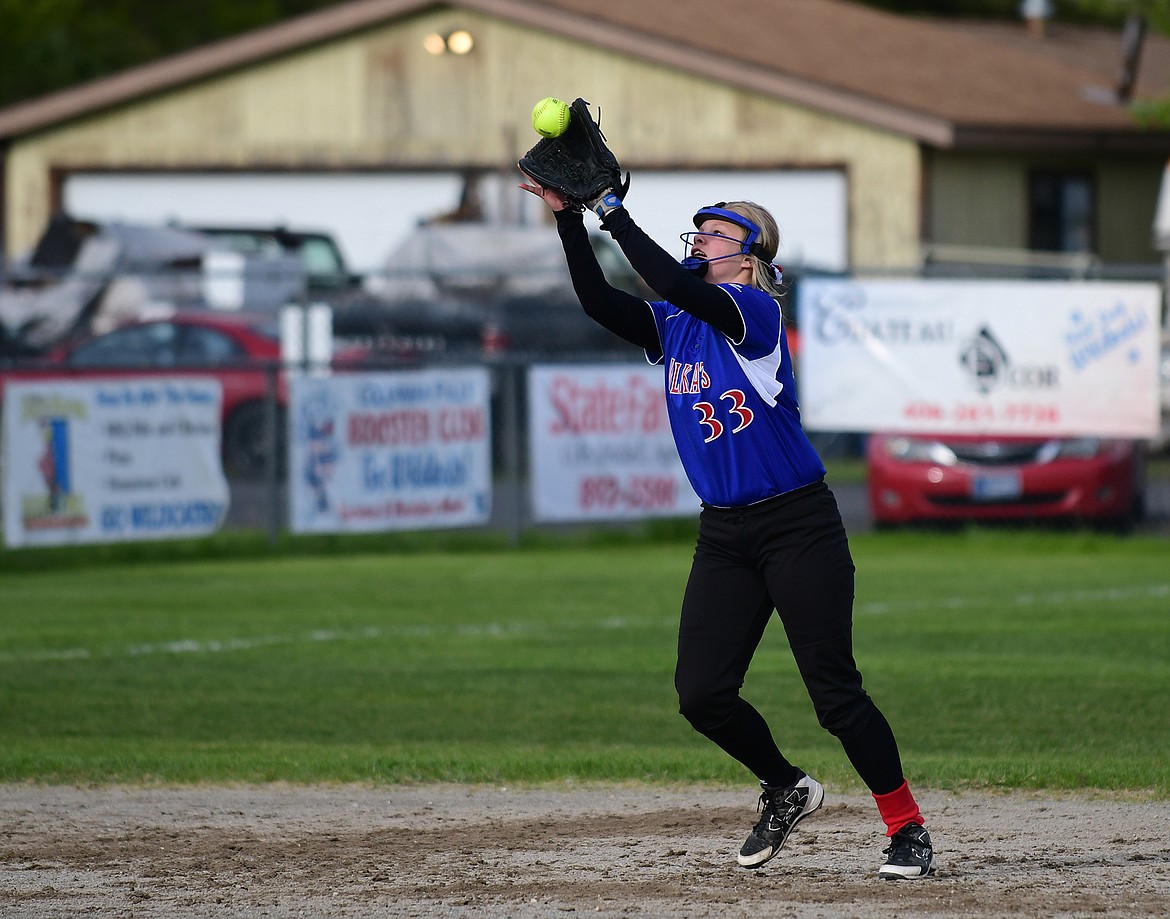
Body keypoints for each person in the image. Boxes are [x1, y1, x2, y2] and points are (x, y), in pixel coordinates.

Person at [519, 172, 935, 880]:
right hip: (725, 534)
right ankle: (786, 786)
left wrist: (613, 213)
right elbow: (600, 301)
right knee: (701, 693)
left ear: (749, 256)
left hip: (797, 523)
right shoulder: (677, 325)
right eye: (698, 231)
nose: (699, 241)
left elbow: (680, 286)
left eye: (714, 233)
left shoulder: (752, 313)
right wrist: (568, 218)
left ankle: (907, 827)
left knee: (835, 694)